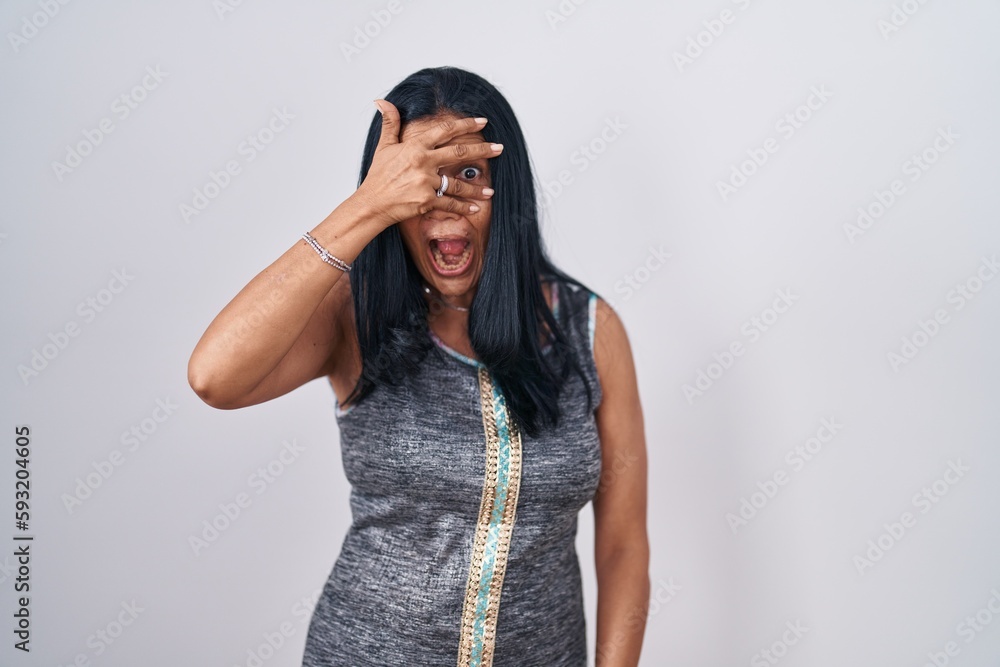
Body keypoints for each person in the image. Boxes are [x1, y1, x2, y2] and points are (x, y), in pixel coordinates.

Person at [187, 66, 649, 667]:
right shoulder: (353, 319)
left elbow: (622, 548)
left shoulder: (588, 329)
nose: (445, 201)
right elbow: (213, 378)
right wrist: (366, 207)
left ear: (506, 189)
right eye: (420, 180)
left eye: (469, 174)